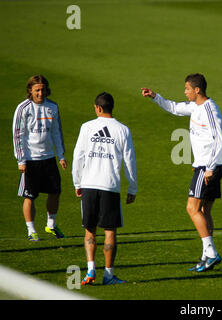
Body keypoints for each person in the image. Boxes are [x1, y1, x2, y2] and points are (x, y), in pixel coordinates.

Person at [141, 73, 222, 272]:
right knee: (204, 211)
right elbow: (174, 108)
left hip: (207, 166)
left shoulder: (209, 110)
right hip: (208, 166)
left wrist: (210, 168)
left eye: (187, 88)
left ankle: (211, 253)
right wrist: (155, 97)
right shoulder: (195, 107)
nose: (185, 92)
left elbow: (219, 139)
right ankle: (207, 256)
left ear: (197, 90)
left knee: (191, 208)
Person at [72, 92, 137, 285]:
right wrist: (132, 187)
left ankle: (90, 270)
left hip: (89, 184)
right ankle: (108, 275)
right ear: (111, 107)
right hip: (110, 186)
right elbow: (130, 161)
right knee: (110, 231)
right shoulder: (123, 130)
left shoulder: (86, 127)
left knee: (89, 230)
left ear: (98, 108)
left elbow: (78, 157)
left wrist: (77, 182)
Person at [12, 75, 67, 241]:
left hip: (49, 157)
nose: (40, 93)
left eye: (43, 89)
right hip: (30, 159)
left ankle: (51, 225)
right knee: (29, 196)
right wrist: (21, 160)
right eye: (37, 90)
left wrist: (61, 155)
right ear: (30, 90)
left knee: (55, 192)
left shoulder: (52, 106)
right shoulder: (23, 108)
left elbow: (56, 132)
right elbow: (17, 135)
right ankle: (31, 230)